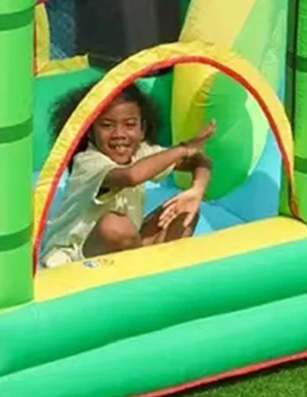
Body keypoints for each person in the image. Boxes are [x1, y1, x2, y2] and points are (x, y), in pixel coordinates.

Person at [40, 83, 216, 268]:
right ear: (89, 132)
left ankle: (156, 270)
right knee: (115, 225)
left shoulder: (141, 152)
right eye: (107, 125)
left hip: (123, 251)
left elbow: (201, 161)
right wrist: (184, 148)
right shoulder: (87, 161)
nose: (119, 134)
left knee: (185, 211)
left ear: (142, 130)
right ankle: (146, 270)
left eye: (130, 125)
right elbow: (132, 176)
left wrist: (197, 190)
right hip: (73, 261)